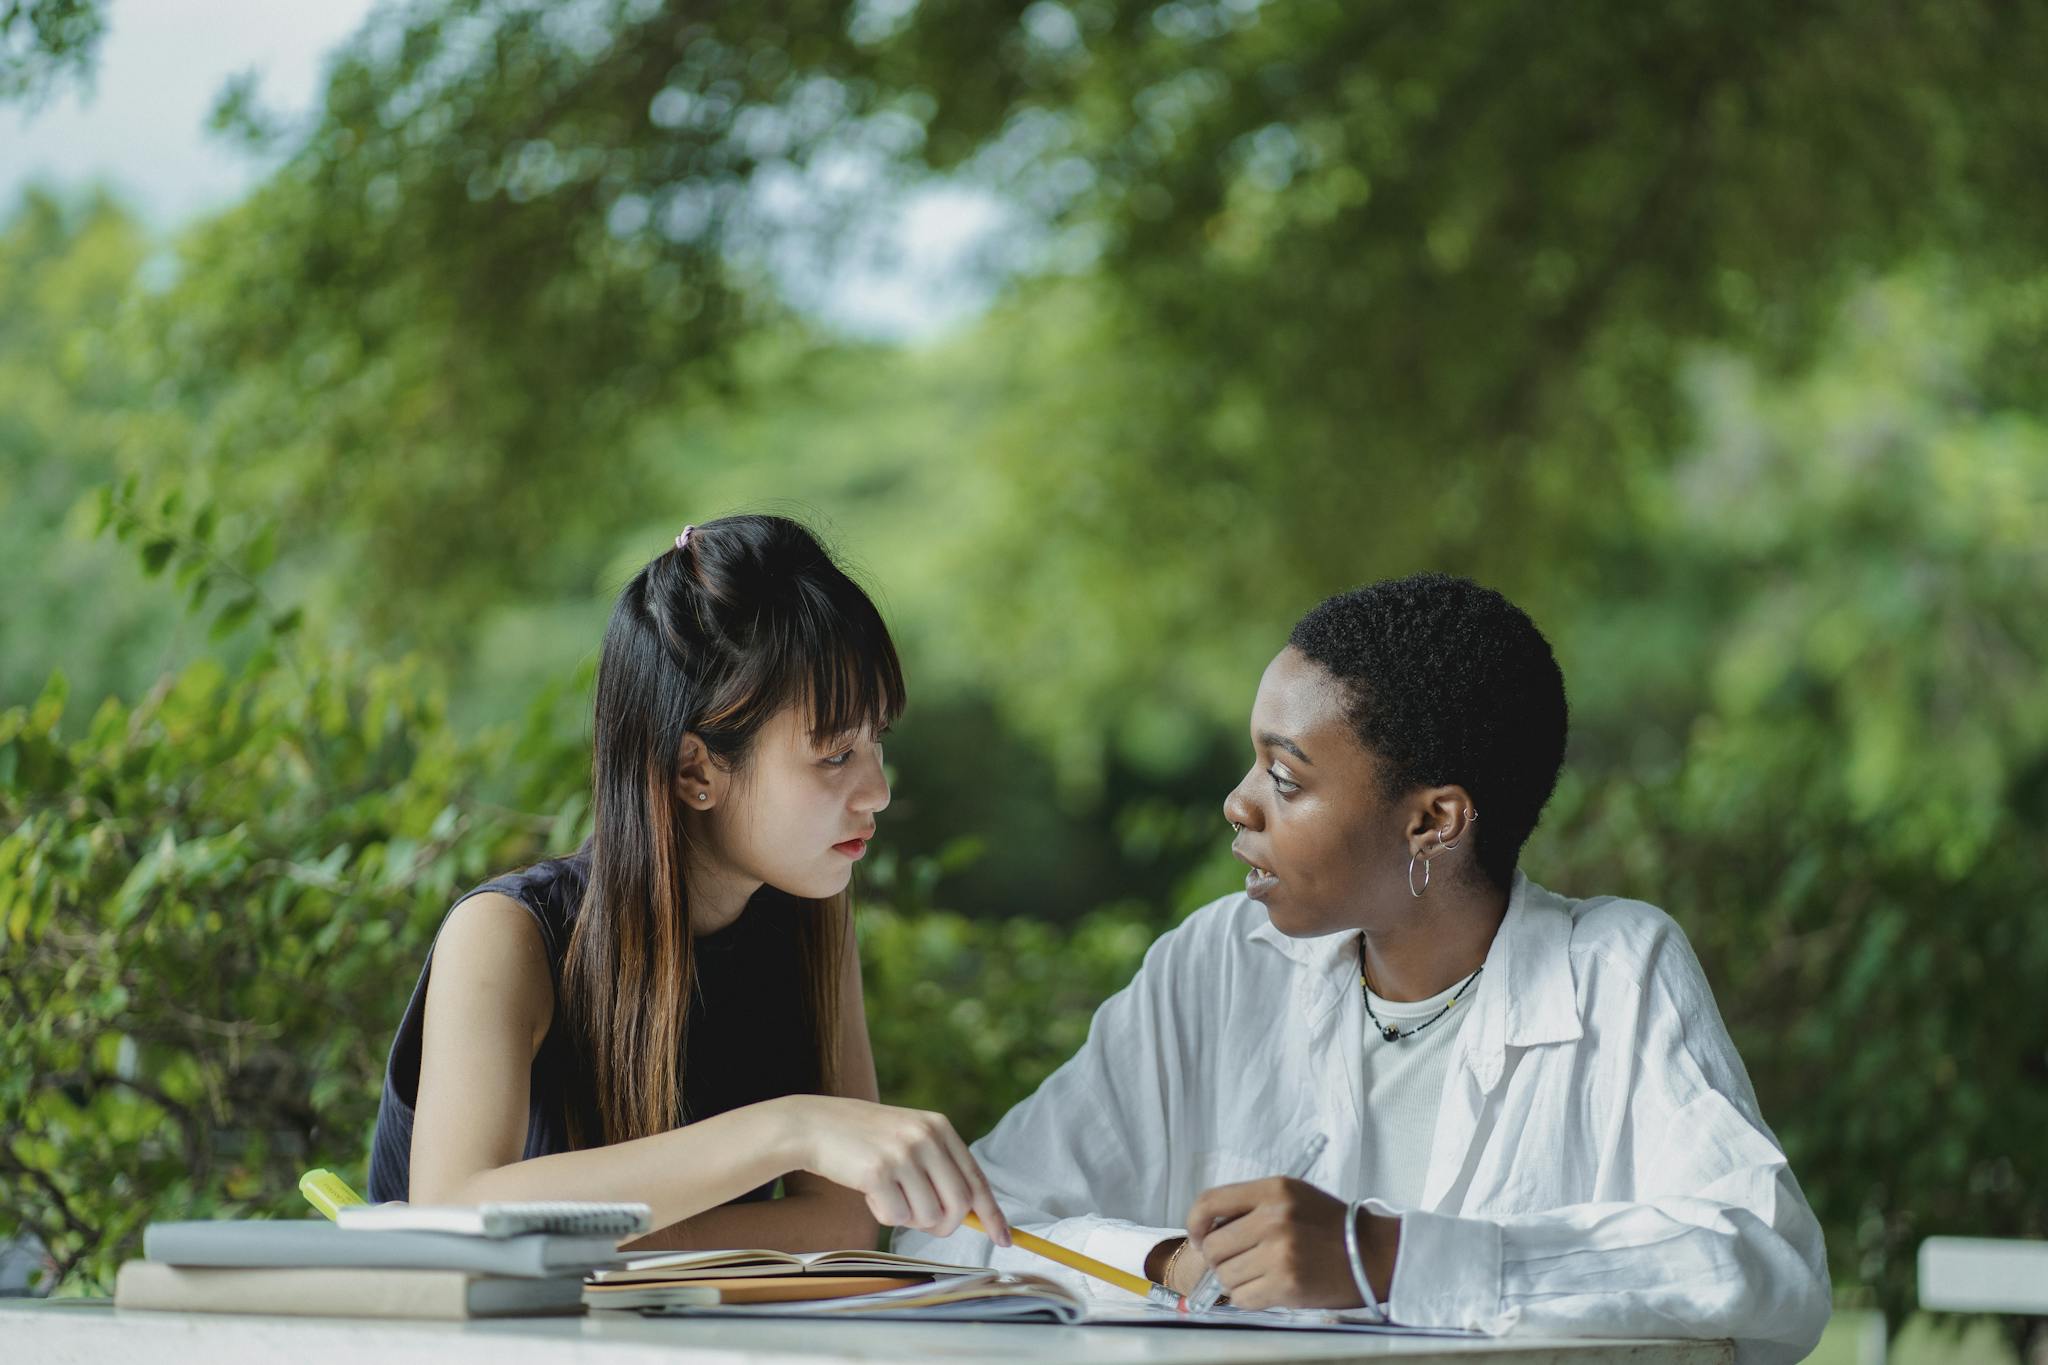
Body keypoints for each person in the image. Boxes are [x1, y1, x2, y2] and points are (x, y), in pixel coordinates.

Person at [898, 573, 1829, 1363]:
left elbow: (1764, 1264)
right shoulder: (1219, 965)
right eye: (1253, 764)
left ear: (1434, 820)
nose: (1238, 802)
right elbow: (948, 1228)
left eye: (1287, 779)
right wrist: (1170, 1263)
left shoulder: (1615, 969)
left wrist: (1385, 1257)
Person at [367, 514, 1011, 1253]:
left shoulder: (809, 918)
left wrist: (585, 1235)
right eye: (835, 755)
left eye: (877, 742)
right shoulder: (507, 935)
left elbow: (843, 1223)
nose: (878, 791)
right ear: (696, 770)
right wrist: (789, 1129)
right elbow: (452, 1213)